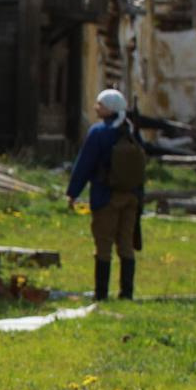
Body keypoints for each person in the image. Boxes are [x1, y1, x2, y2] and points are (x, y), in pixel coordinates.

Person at [66, 88, 148, 300]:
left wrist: (73, 192)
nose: (96, 108)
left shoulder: (98, 132)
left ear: (109, 109)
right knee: (126, 245)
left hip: (106, 196)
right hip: (131, 196)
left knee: (103, 245)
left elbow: (85, 164)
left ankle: (101, 294)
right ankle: (126, 293)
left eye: (100, 105)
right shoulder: (132, 132)